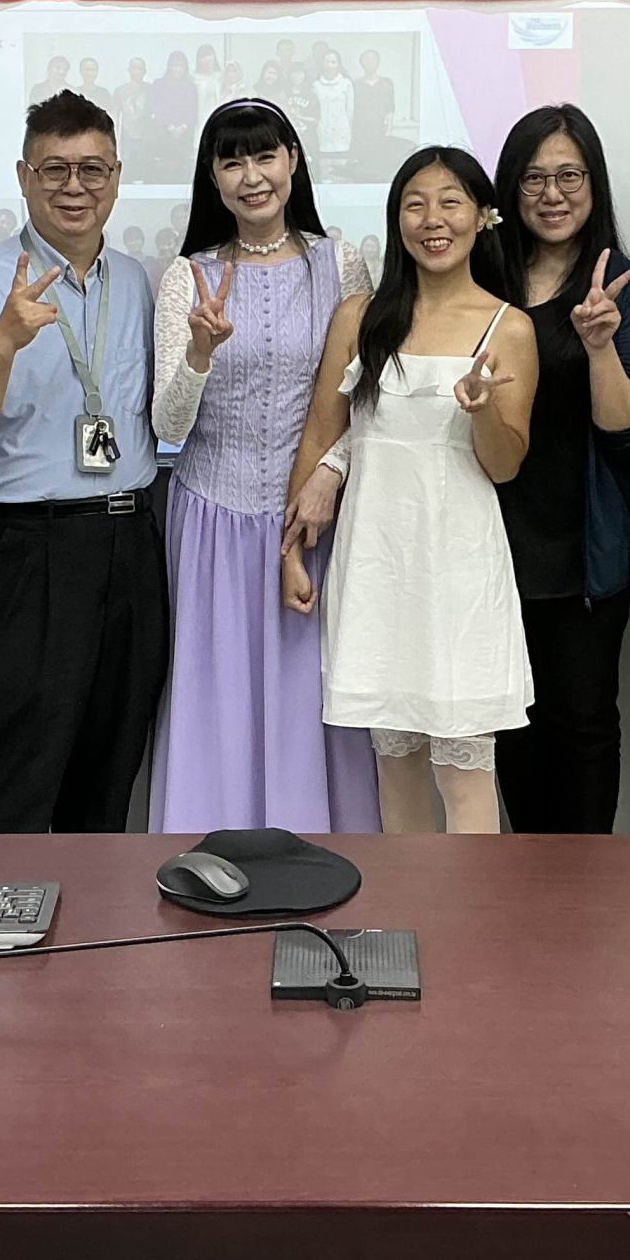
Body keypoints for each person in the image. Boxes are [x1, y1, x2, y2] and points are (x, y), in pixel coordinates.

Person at [0, 91, 167, 832]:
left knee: (113, 752)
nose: (74, 187)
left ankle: (89, 908)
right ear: (24, 177)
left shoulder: (136, 279)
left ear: (116, 177)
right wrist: (2, 342)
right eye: (55, 169)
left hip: (129, 538)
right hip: (28, 545)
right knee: (21, 758)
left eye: (92, 170)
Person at [283, 147, 538, 835]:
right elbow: (323, 436)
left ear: (483, 217)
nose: (433, 220)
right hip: (377, 565)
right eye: (415, 204)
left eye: (451, 202)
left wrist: (482, 409)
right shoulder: (361, 317)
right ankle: (408, 907)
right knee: (394, 770)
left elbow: (504, 466)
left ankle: (472, 912)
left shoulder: (508, 327)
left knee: (463, 774)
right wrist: (290, 552)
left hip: (460, 571)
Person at [148, 99, 380, 834]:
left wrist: (329, 474)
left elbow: (364, 399)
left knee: (315, 699)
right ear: (212, 178)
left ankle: (325, 851)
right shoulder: (187, 276)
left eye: (265, 156)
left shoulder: (340, 264)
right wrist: (199, 354)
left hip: (316, 524)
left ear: (293, 161)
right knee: (216, 698)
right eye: (232, 161)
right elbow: (167, 426)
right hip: (211, 523)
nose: (252, 176)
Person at [488, 106, 630, 834]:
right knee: (508, 722)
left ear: (594, 184)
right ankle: (526, 883)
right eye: (534, 178)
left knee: (583, 723)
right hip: (489, 539)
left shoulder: (625, 288)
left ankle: (586, 888)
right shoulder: (478, 275)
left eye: (570, 176)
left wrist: (598, 347)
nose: (552, 194)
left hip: (583, 545)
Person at [309, 51, 356, 179]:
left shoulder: (346, 84)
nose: (330, 65)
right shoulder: (316, 85)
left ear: (338, 64)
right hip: (323, 133)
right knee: (325, 173)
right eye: (327, 62)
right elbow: (314, 111)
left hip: (342, 132)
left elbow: (350, 111)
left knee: (342, 173)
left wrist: (349, 131)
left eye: (333, 62)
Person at [151, 49, 201, 168]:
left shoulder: (190, 86)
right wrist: (169, 126)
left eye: (181, 66)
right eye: (175, 66)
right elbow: (157, 108)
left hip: (184, 135)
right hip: (163, 134)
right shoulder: (159, 84)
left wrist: (183, 127)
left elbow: (193, 111)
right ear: (169, 67)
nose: (178, 69)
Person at [351, 49, 396, 177]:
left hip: (380, 130)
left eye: (373, 60)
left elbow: (390, 108)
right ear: (362, 63)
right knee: (362, 167)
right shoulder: (355, 85)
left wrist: (389, 130)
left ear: (378, 62)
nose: (370, 63)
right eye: (366, 60)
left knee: (380, 165)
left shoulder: (386, 83)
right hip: (360, 132)